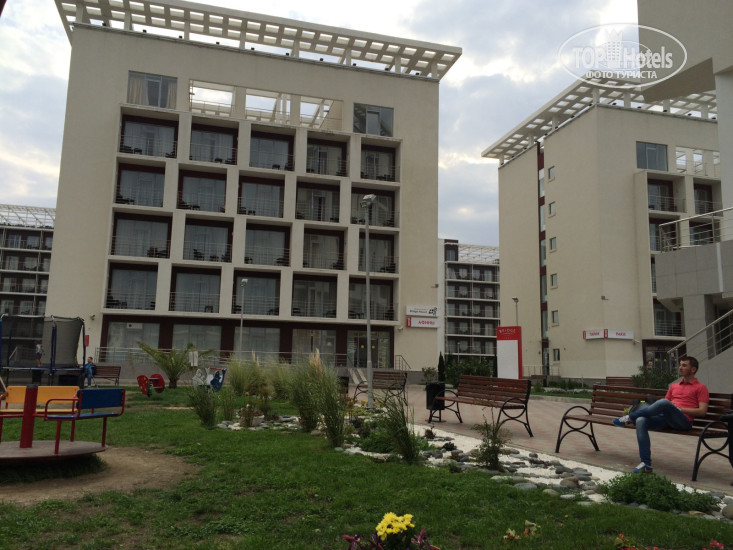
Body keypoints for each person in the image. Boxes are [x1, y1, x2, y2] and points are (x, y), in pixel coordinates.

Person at [613, 356, 709, 474]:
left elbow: (702, 411)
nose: (680, 367)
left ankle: (629, 417)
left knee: (664, 402)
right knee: (641, 420)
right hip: (666, 419)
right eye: (680, 365)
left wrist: (680, 409)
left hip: (683, 422)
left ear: (693, 369)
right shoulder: (674, 386)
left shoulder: (701, 388)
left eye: (684, 365)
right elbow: (663, 406)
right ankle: (646, 464)